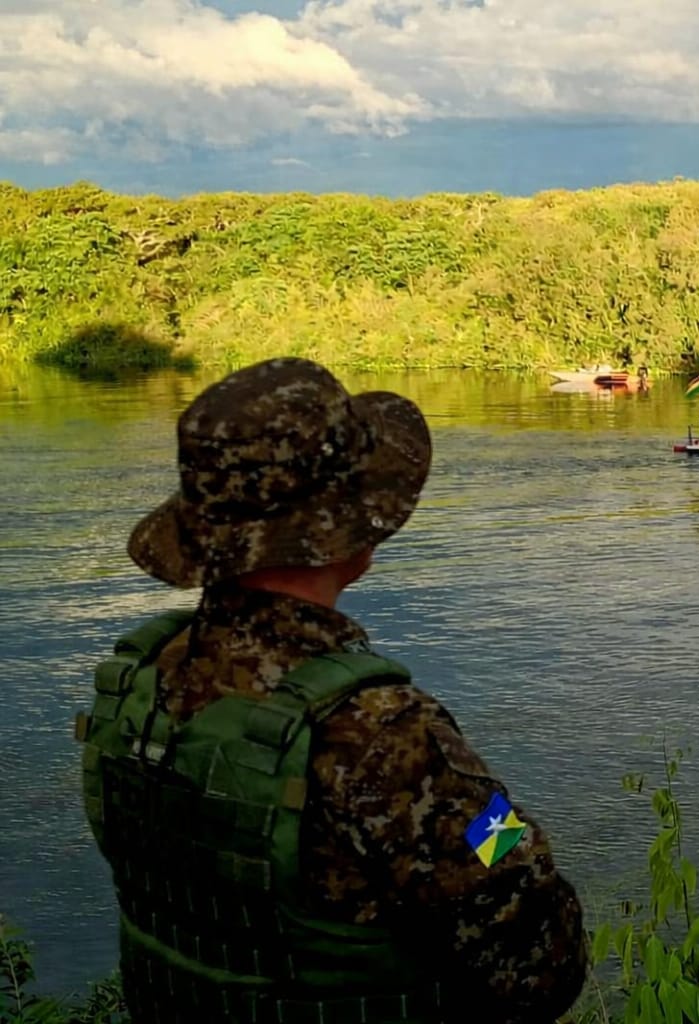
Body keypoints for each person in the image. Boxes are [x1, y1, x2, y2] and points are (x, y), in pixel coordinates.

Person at [76, 358, 589, 1024]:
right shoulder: (382, 736)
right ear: (347, 531)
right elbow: (542, 962)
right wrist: (503, 830)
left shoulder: (137, 685)